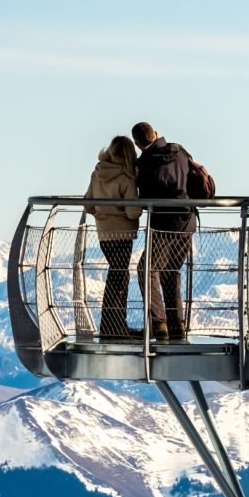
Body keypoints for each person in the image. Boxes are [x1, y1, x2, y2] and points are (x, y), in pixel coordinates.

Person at [132, 121, 196, 341]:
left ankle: (159, 322)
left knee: (147, 269)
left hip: (162, 224)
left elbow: (142, 198)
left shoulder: (145, 164)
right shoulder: (180, 151)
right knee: (171, 271)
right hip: (187, 220)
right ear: (156, 134)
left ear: (137, 144)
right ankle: (176, 322)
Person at [82, 135, 143, 340]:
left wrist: (103, 213)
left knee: (117, 276)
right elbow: (133, 212)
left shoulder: (97, 172)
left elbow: (88, 204)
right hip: (123, 233)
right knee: (119, 277)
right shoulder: (126, 177)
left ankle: (115, 325)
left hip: (103, 232)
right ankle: (112, 326)